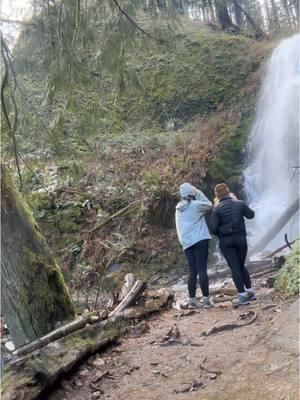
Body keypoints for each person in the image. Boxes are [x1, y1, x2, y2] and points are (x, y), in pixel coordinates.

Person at [211, 183, 256, 307]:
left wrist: (223, 229)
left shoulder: (217, 208)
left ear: (217, 195)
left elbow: (213, 229)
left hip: (226, 242)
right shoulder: (240, 203)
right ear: (228, 191)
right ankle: (250, 292)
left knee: (235, 267)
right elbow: (251, 215)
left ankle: (242, 297)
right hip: (241, 239)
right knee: (241, 265)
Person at [175, 183, 213, 309]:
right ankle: (206, 300)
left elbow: (179, 228)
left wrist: (184, 242)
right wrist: (198, 192)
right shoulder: (196, 205)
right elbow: (209, 204)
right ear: (191, 193)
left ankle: (192, 301)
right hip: (200, 239)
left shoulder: (178, 209)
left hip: (187, 243)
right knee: (202, 269)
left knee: (192, 271)